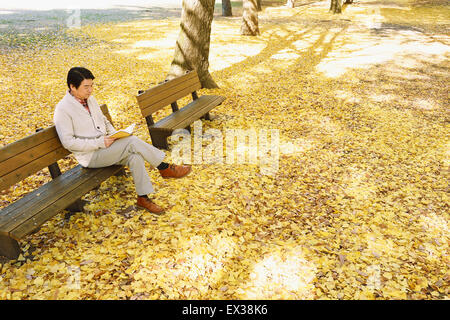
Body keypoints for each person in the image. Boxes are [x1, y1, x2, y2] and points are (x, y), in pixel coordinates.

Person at [53, 67, 191, 215]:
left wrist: (115, 135)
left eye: (92, 85)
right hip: (90, 156)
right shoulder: (63, 110)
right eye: (86, 87)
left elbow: (104, 121)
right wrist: (100, 143)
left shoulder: (90, 100)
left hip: (107, 148)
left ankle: (143, 199)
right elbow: (68, 142)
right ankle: (164, 167)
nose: (90, 90)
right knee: (132, 142)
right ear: (72, 87)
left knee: (135, 156)